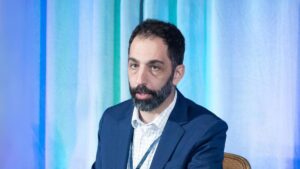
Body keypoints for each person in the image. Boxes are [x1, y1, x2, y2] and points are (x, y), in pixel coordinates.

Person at [92, 19, 228, 169]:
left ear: (177, 74)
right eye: (134, 65)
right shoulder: (111, 119)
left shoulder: (205, 130)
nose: (140, 79)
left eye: (154, 67)